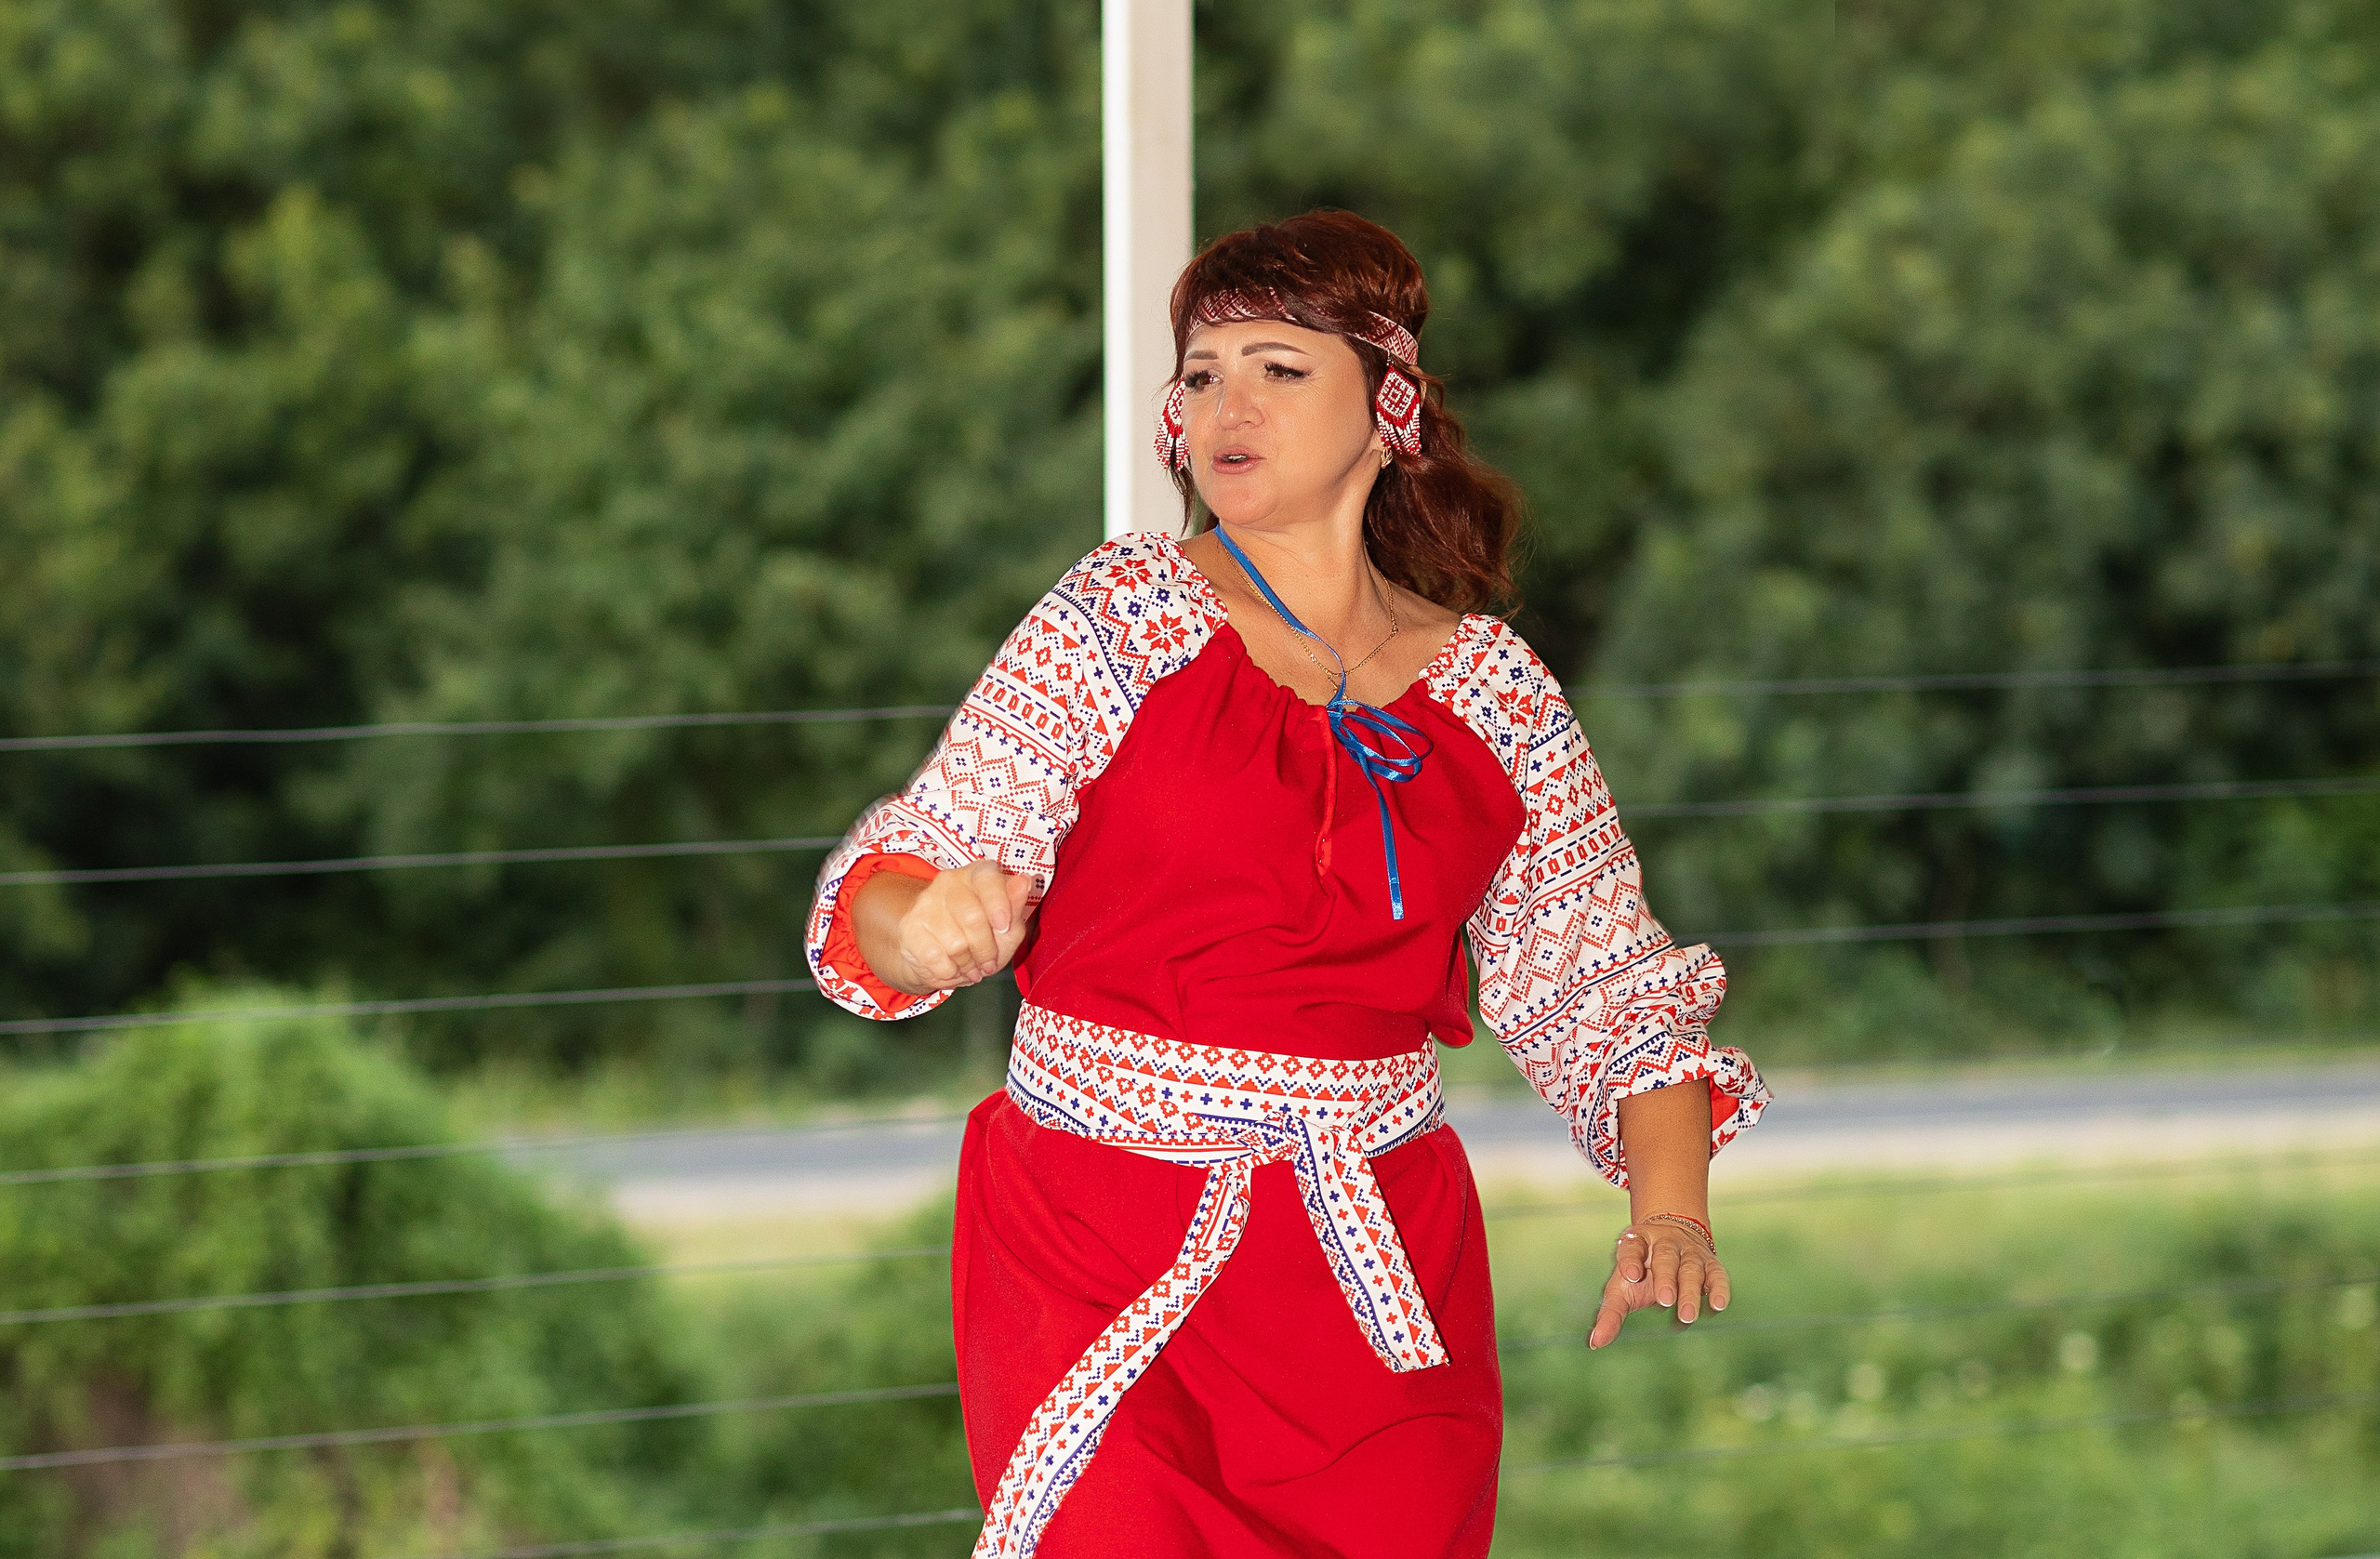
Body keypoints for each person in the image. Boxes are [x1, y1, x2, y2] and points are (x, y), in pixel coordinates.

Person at [804, 209, 1770, 1559]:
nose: (1225, 404)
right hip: (1098, 1231)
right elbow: (888, 886)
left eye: (1276, 366)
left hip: (1372, 1265)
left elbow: (1607, 987)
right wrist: (928, 923)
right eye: (1199, 373)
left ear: (1389, 407)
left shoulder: (1494, 691)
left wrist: (1668, 1205)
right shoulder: (1116, 615)